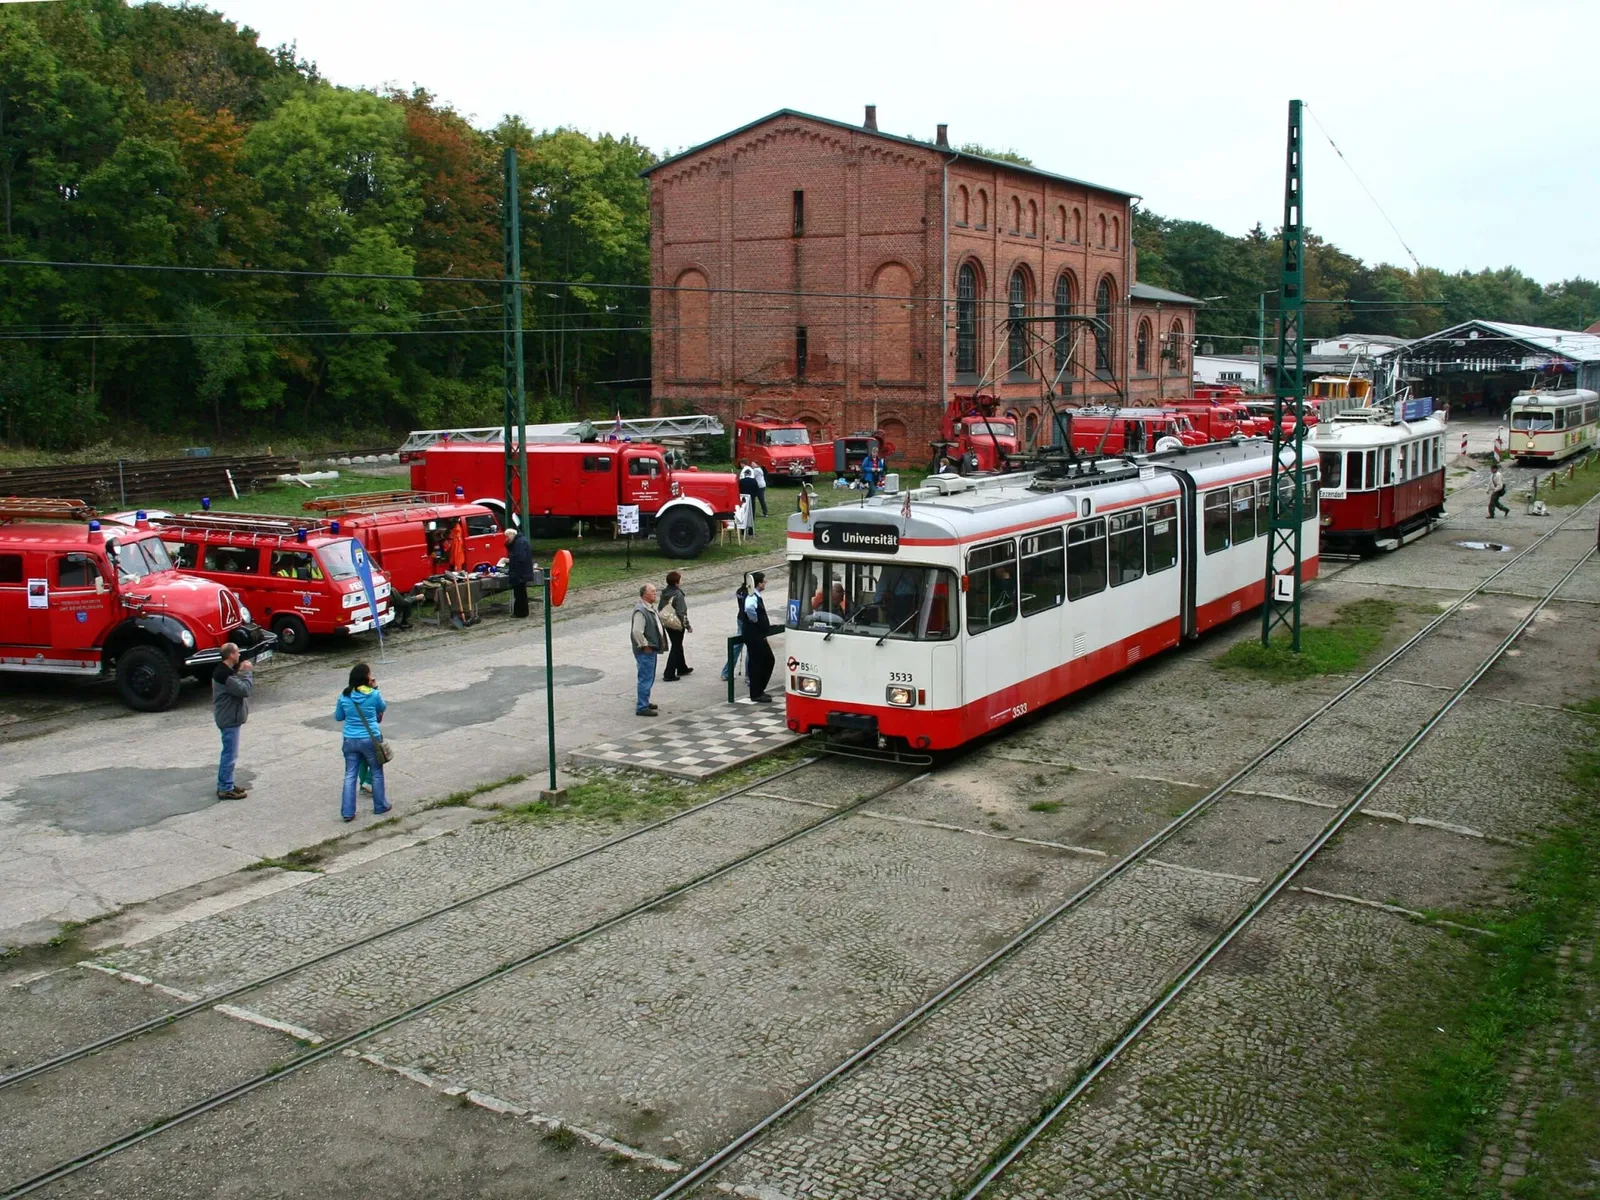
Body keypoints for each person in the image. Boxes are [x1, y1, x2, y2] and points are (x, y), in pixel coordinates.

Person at [334, 663, 389, 822]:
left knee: (350, 775)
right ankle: (380, 806)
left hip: (350, 739)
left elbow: (338, 716)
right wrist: (375, 687)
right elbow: (382, 707)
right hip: (371, 739)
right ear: (366, 678)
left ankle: (347, 812)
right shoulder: (373, 694)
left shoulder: (344, 695)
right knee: (377, 772)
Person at [212, 643, 252, 800]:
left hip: (228, 717)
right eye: (237, 652)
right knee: (230, 754)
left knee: (230, 753)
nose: (239, 655)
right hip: (228, 718)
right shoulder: (225, 675)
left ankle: (227, 783)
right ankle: (225, 787)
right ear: (230, 655)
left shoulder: (225, 671)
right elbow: (244, 690)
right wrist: (247, 673)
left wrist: (240, 672)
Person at [742, 571, 776, 703]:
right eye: (764, 582)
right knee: (761, 662)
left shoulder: (754, 595)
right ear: (759, 583)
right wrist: (755, 620)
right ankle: (756, 692)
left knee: (764, 661)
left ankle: (759, 690)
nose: (765, 584)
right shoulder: (752, 597)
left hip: (757, 634)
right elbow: (749, 608)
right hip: (754, 634)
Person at [631, 583, 664, 716]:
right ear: (645, 594)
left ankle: (644, 700)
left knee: (649, 677)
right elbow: (637, 631)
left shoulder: (649, 608)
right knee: (645, 677)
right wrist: (645, 646)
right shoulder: (641, 611)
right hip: (646, 651)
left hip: (651, 648)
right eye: (652, 591)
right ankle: (642, 707)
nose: (655, 593)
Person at [659, 570, 693, 681]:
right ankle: (669, 673)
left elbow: (660, 608)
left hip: (667, 622)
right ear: (676, 582)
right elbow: (681, 612)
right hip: (677, 623)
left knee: (677, 644)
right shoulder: (678, 594)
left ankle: (682, 667)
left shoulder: (664, 593)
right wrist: (687, 626)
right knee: (676, 646)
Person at [504, 526, 534, 618]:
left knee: (519, 593)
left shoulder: (519, 542)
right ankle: (522, 611)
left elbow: (520, 557)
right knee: (521, 592)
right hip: (522, 571)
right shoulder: (520, 541)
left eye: (507, 536)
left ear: (512, 534)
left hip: (519, 572)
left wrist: (510, 560)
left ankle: (520, 612)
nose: (507, 538)